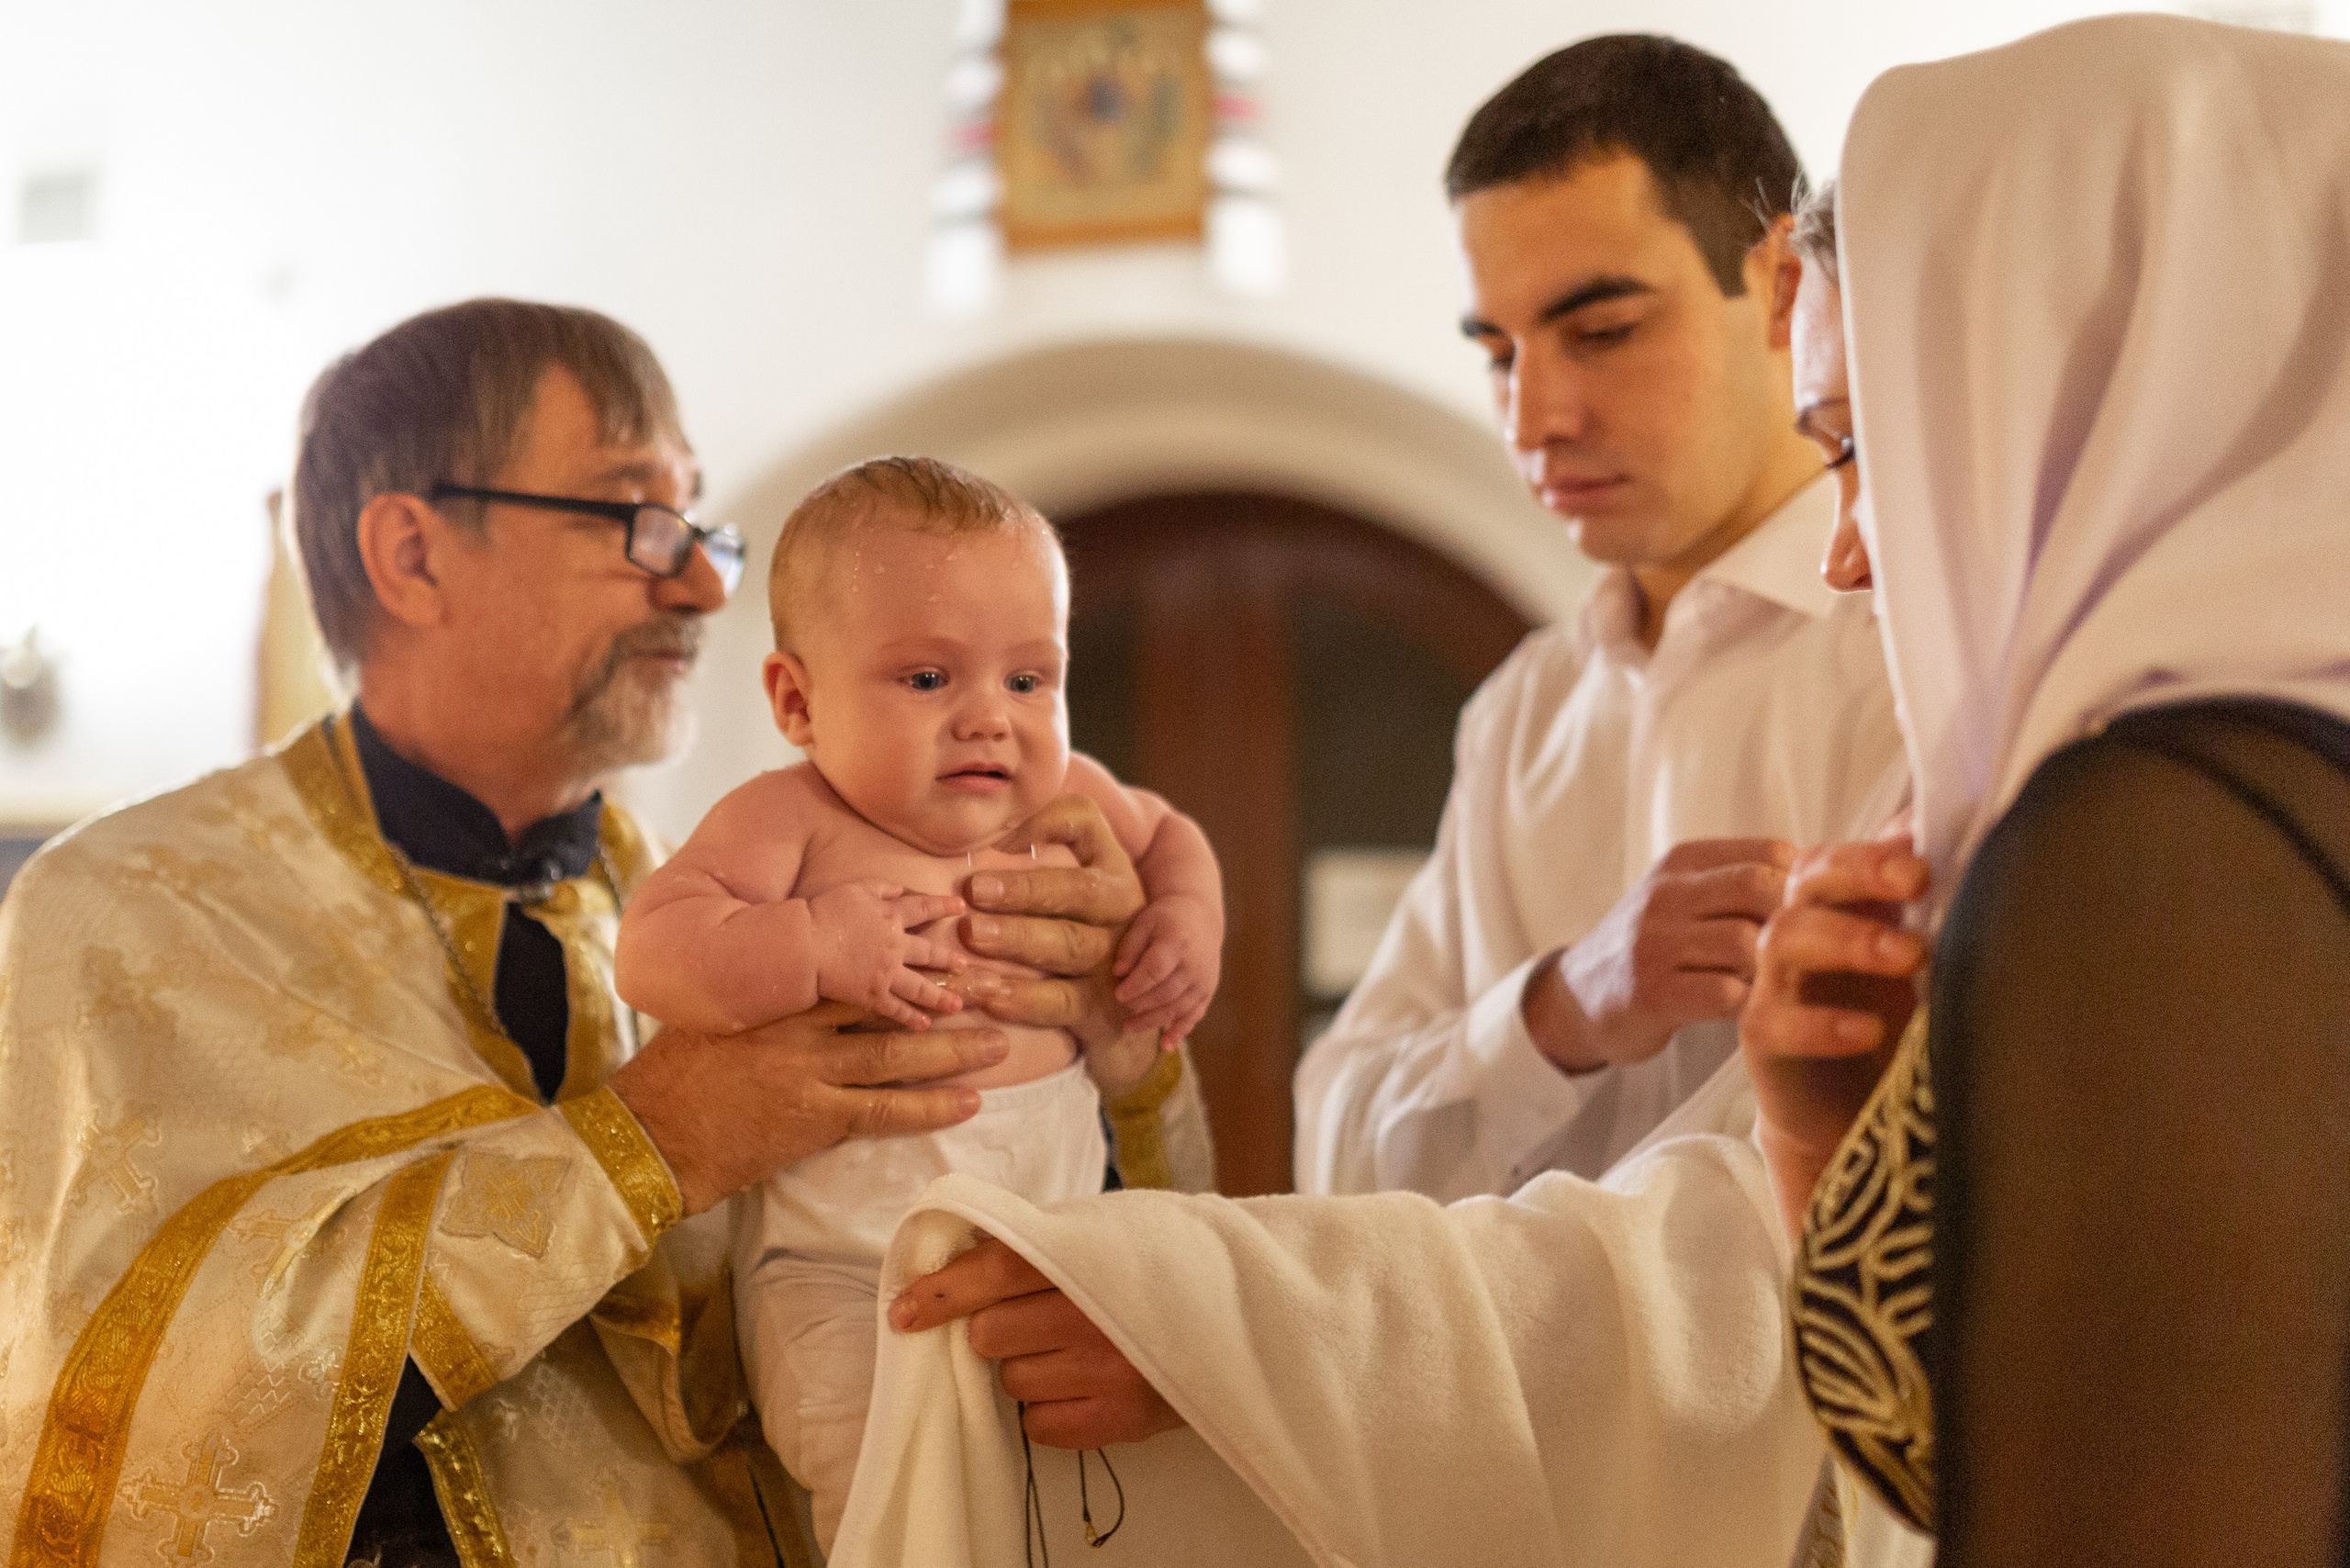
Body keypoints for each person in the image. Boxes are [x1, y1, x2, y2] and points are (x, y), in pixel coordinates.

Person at [0, 300, 1209, 1568]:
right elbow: (117, 1417)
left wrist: (1124, 1043)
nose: (701, 584)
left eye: (698, 525)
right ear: (412, 555)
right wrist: (655, 1141)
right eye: (635, 517)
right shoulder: (137, 909)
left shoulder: (720, 896)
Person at [1740, 18, 2350, 1566]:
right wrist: (1846, 1141)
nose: (1846, 552)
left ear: (2094, 382)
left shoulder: (2165, 841)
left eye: (1865, 447)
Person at [1295, 34, 1904, 1201]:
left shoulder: (1909, 652)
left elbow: (1838, 1188)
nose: (1532, 421)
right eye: (1497, 354)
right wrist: (1558, 1010)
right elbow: (1334, 1141)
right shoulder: (1522, 711)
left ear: (1782, 286)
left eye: (1603, 332)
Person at [614, 455, 1223, 1548]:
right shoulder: (788, 820)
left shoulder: (1069, 799)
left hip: (1054, 1252)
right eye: (930, 678)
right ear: (797, 701)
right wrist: (811, 943)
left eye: (1029, 679)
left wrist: (1183, 922)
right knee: (880, 1492)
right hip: (846, 1271)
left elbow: (1173, 833)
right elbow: (652, 950)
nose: (990, 718)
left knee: (1058, 1505)